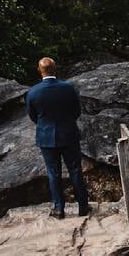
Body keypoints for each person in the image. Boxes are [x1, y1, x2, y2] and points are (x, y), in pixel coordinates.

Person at [24, 56, 90, 219]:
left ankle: (59, 209)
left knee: (53, 173)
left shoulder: (32, 92)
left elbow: (33, 116)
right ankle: (83, 207)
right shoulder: (68, 88)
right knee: (75, 170)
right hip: (68, 134)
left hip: (46, 137)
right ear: (55, 69)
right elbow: (76, 111)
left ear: (40, 71)